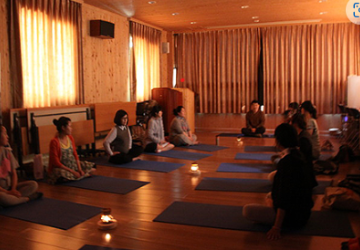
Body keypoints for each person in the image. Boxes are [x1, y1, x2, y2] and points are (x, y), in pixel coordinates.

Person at [243, 123, 317, 240]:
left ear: (279, 140)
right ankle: (271, 204)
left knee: (248, 211)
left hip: (293, 217)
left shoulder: (287, 162)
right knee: (270, 195)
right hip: (304, 211)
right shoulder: (298, 154)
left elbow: (284, 197)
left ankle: (272, 208)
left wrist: (276, 227)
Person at [0, 125, 42, 207]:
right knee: (2, 197)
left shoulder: (7, 152)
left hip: (10, 187)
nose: (7, 136)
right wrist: (8, 192)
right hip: (2, 191)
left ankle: (12, 200)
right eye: (5, 134)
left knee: (33, 184)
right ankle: (27, 199)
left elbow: (14, 174)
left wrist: (13, 189)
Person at [48, 117, 95, 184]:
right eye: (70, 126)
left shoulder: (70, 138)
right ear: (63, 128)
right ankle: (79, 175)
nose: (71, 128)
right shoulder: (54, 142)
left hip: (72, 165)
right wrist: (73, 172)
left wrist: (79, 169)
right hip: (63, 168)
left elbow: (75, 154)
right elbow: (56, 162)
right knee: (60, 173)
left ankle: (78, 175)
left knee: (92, 168)